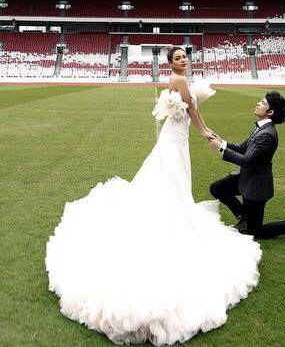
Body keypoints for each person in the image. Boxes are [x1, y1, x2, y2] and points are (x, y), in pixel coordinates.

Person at [45, 47, 261, 346]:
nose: (183, 60)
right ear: (170, 64)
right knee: (173, 178)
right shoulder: (180, 81)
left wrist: (198, 121)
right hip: (177, 138)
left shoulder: (177, 79)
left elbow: (186, 107)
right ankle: (169, 218)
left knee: (172, 178)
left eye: (185, 56)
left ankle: (169, 210)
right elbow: (192, 110)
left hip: (175, 136)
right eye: (177, 58)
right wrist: (205, 132)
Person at [208, 91, 285, 240]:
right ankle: (244, 217)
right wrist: (222, 142)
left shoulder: (267, 134)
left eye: (263, 103)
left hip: (256, 186)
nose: (258, 103)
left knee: (254, 232)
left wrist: (220, 148)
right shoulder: (260, 127)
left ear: (270, 112)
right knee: (217, 188)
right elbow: (242, 147)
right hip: (246, 178)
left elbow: (247, 160)